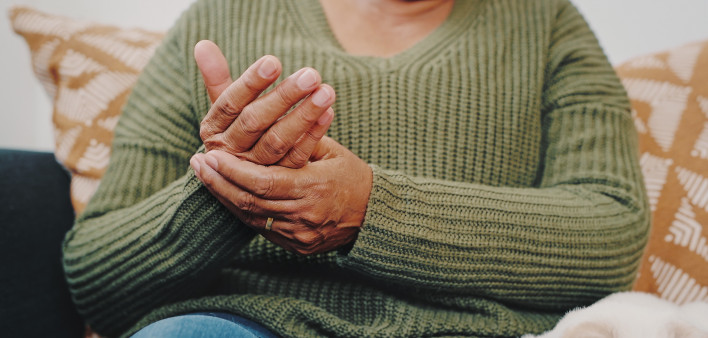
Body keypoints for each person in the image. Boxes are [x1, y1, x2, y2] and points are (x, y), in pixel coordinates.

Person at [62, 0, 651, 337]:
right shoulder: (220, 16)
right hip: (248, 325)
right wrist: (233, 188)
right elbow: (98, 280)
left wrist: (371, 209)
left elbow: (612, 233)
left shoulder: (545, 22)